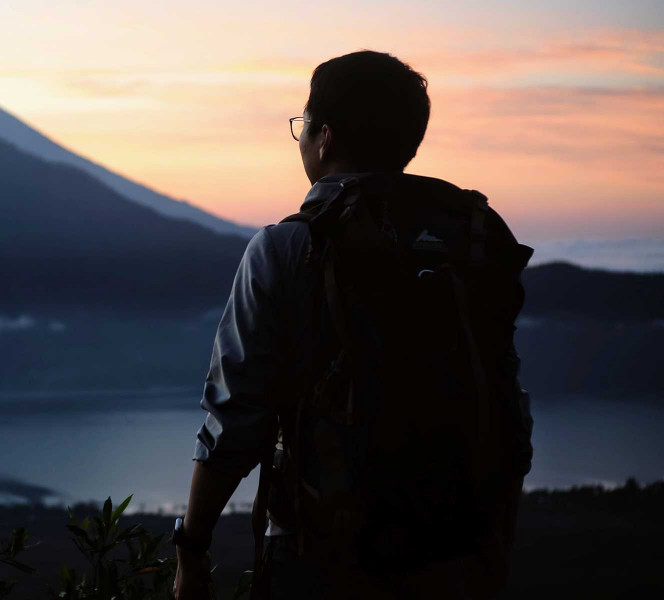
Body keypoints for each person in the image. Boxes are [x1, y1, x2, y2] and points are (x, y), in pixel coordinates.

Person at [171, 50, 534, 600]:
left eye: (304, 126)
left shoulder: (288, 247)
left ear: (325, 138)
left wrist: (192, 547)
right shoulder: (474, 239)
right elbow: (506, 401)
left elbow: (237, 418)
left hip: (320, 548)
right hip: (459, 546)